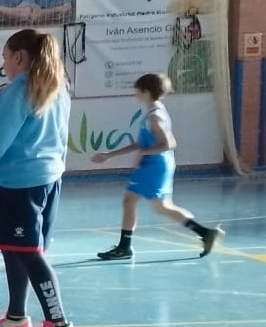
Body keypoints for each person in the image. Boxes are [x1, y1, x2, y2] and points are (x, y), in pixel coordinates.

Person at [0, 28, 79, 327]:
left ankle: (59, 325)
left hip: (24, 183)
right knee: (15, 248)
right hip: (48, 179)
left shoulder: (16, 93)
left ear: (18, 56)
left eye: (5, 58)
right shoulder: (57, 88)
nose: (3, 65)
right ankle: (16, 318)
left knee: (28, 252)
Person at [92, 73, 223, 259]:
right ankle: (204, 233)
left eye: (137, 89)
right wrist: (109, 155)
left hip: (154, 165)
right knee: (161, 207)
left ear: (146, 91)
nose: (135, 93)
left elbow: (169, 143)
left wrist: (144, 153)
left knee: (131, 200)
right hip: (157, 163)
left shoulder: (154, 116)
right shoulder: (153, 112)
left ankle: (124, 247)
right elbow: (140, 144)